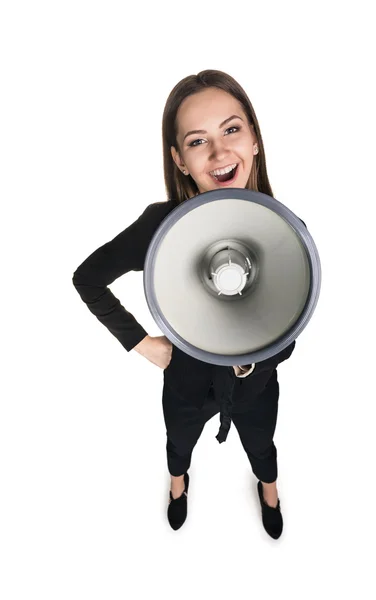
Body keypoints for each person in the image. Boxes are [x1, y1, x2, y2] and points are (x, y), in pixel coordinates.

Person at [72, 70, 299, 539]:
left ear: (255, 139)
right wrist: (140, 343)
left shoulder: (285, 232)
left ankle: (269, 490)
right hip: (186, 381)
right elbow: (88, 278)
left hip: (256, 387)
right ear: (179, 159)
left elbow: (291, 336)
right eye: (198, 141)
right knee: (179, 443)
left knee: (262, 444)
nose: (219, 153)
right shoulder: (160, 228)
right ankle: (178, 485)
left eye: (232, 130)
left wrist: (245, 358)